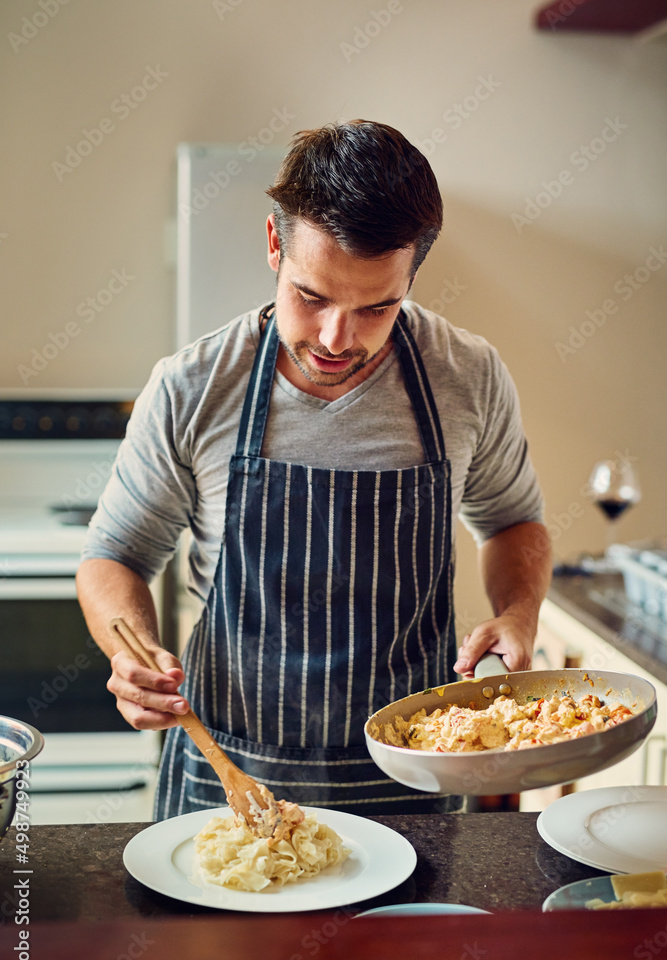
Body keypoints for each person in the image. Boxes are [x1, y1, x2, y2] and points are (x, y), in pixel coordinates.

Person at [76, 120, 551, 820]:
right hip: (229, 768)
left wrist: (517, 612)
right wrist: (135, 653)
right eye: (312, 296)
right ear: (275, 246)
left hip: (410, 773)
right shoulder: (193, 384)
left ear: (411, 273)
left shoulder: (466, 376)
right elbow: (113, 555)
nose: (336, 339)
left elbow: (511, 519)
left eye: (376, 308)